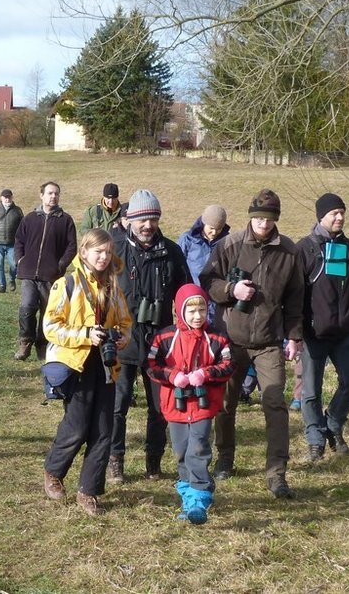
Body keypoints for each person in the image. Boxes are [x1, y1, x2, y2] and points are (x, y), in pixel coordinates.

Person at [199, 188, 305, 499]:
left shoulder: (289, 252)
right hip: (232, 340)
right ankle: (225, 458)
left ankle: (277, 474)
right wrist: (232, 290)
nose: (262, 223)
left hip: (270, 342)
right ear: (250, 217)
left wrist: (295, 337)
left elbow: (296, 299)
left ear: (276, 220)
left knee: (274, 405)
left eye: (269, 218)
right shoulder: (230, 244)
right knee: (225, 404)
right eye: (258, 217)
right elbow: (208, 281)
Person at [42, 228, 133, 516]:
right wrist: (84, 335)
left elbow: (126, 323)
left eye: (108, 252)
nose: (104, 257)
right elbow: (50, 327)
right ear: (84, 252)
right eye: (98, 252)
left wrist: (120, 337)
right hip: (76, 363)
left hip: (106, 365)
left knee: (104, 430)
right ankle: (54, 472)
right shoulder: (66, 284)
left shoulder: (114, 287)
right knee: (78, 425)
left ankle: (88, 491)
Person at [108, 189, 191, 483]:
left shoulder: (171, 252)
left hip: (160, 342)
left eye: (153, 219)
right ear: (130, 219)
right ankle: (115, 459)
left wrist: (187, 330)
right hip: (122, 340)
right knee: (117, 406)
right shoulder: (113, 248)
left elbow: (186, 294)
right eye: (142, 219)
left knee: (160, 408)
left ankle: (153, 461)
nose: (147, 225)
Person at [146, 283, 235, 525]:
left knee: (198, 448)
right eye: (191, 311)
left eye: (202, 311)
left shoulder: (216, 337)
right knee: (181, 451)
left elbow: (228, 365)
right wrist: (172, 375)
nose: (197, 317)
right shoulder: (165, 337)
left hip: (204, 405)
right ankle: (188, 497)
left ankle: (200, 497)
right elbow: (152, 365)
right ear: (179, 312)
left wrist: (206, 374)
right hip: (175, 406)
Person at [297, 193, 349, 461]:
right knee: (311, 391)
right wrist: (297, 330)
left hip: (346, 330)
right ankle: (315, 438)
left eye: (342, 212)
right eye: (334, 213)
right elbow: (296, 294)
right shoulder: (305, 248)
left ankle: (332, 425)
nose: (339, 217)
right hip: (314, 332)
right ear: (320, 216)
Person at [13, 182, 77, 361]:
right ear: (41, 195)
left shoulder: (66, 220)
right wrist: (20, 259)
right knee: (26, 307)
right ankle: (25, 342)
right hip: (28, 273)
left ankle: (43, 345)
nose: (53, 196)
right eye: (50, 193)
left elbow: (71, 247)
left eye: (56, 193)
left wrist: (60, 265)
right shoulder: (30, 218)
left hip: (51, 276)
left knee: (47, 311)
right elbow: (19, 240)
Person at [0, 188, 24, 293]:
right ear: (1, 198)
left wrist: (24, 242)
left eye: (9, 197)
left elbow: (23, 227)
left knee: (14, 264)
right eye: (5, 197)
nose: (7, 199)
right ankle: (1, 285)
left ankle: (11, 279)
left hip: (12, 243)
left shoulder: (17, 211)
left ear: (12, 197)